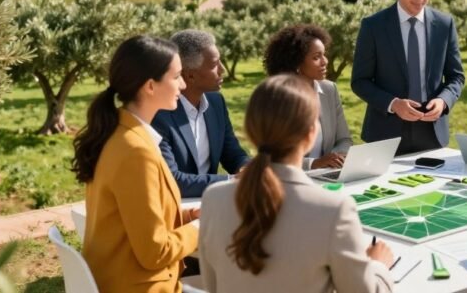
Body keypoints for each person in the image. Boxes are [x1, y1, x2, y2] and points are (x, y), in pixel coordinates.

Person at [199, 75, 395, 293]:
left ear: (250, 131)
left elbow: (212, 286)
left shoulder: (213, 199)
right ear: (312, 133)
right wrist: (378, 265)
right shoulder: (333, 210)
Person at [72, 35, 200, 293]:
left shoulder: (118, 133)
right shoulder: (135, 151)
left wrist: (188, 216)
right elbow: (155, 252)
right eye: (176, 76)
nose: (184, 85)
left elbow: (134, 215)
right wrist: (199, 227)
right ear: (150, 86)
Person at [351, 0, 465, 155]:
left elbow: (456, 76)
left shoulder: (445, 25)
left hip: (432, 132)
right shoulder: (373, 26)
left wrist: (443, 101)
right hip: (384, 134)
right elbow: (360, 81)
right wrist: (393, 104)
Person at [152, 30, 250, 198]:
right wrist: (233, 181)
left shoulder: (216, 103)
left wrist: (247, 170)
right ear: (190, 75)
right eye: (214, 64)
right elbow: (173, 180)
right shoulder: (160, 115)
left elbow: (232, 153)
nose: (223, 70)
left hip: (212, 203)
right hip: (178, 211)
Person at [263, 24, 353, 170]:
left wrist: (334, 159)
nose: (325, 61)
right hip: (289, 178)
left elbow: (344, 140)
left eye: (324, 54)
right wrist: (314, 164)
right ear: (297, 63)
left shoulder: (329, 89)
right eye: (316, 57)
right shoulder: (277, 99)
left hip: (328, 174)